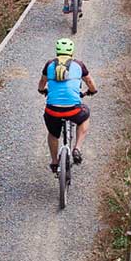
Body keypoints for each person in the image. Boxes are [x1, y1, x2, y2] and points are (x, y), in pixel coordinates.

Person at [38, 37, 97, 170]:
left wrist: (42, 90)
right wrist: (92, 91)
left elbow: (42, 83)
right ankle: (77, 148)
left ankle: (54, 161)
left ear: (57, 51)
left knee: (53, 133)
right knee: (85, 115)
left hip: (52, 110)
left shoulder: (49, 65)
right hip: (73, 110)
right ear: (72, 51)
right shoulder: (79, 65)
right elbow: (90, 83)